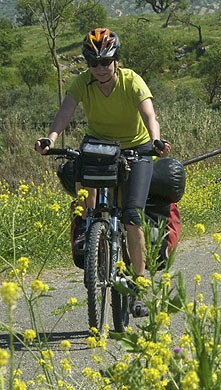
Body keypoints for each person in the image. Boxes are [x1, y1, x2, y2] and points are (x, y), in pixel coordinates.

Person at [35, 28, 170, 317]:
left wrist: (156, 141)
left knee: (133, 214)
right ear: (87, 64)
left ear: (115, 60)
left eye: (105, 61)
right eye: (93, 63)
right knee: (87, 194)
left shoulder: (132, 81)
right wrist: (51, 139)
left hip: (136, 148)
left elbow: (150, 115)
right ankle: (89, 229)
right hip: (98, 146)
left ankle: (141, 281)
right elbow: (65, 112)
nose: (100, 68)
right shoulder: (83, 83)